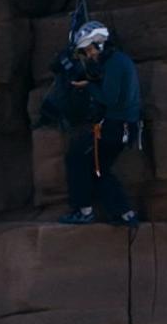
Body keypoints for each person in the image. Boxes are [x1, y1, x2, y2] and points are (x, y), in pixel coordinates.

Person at [35, 20, 141, 226]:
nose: (89, 55)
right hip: (123, 126)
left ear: (100, 43)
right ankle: (124, 214)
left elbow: (110, 98)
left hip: (116, 126)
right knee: (98, 168)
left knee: (76, 158)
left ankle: (84, 211)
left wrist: (89, 86)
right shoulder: (116, 61)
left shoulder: (115, 63)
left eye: (89, 49)